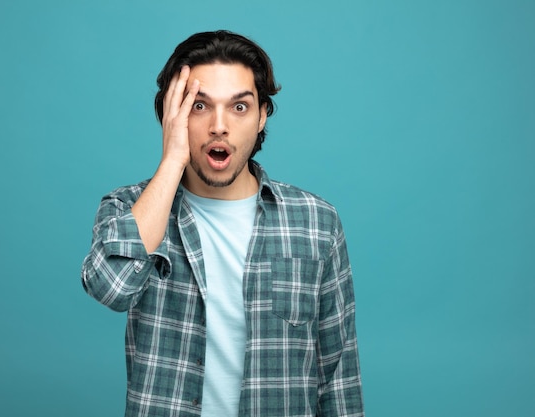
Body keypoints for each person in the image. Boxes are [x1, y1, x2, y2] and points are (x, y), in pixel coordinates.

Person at [81, 30, 363, 417]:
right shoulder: (129, 207)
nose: (219, 126)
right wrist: (172, 160)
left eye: (239, 107)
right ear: (171, 114)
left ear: (263, 115)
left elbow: (338, 375)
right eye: (198, 106)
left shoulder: (316, 222)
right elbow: (110, 288)